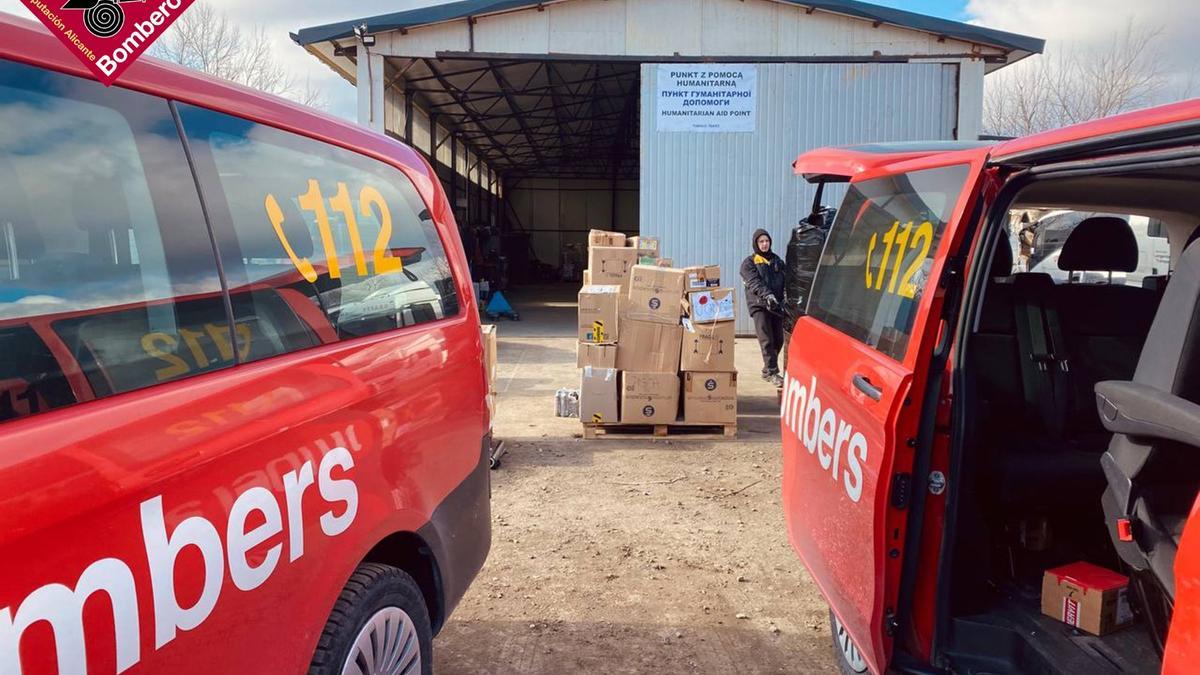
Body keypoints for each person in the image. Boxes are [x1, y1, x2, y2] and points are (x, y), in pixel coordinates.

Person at [741, 228, 786, 387]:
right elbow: (754, 282)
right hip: (760, 306)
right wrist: (767, 295)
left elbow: (786, 280)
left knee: (779, 339)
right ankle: (772, 372)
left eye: (766, 241)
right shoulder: (749, 263)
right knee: (767, 340)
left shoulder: (777, 261)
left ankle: (768, 368)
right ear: (756, 244)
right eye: (761, 241)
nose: (764, 244)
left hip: (776, 306)